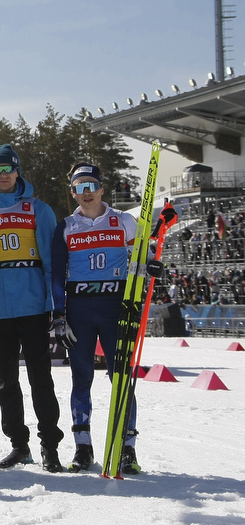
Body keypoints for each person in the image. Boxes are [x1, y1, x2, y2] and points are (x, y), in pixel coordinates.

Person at [0, 144, 64, 472]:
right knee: (6, 382)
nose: (4, 175)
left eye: (9, 169)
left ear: (18, 171)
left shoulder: (38, 209)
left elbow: (52, 262)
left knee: (41, 378)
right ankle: (19, 445)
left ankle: (50, 444)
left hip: (33, 305)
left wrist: (55, 303)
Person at [50, 163, 151, 474]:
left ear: (102, 188)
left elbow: (141, 260)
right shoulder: (66, 226)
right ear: (72, 193)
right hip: (80, 308)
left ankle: (127, 448)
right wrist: (59, 314)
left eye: (91, 185)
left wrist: (146, 277)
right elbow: (56, 274)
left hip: (115, 308)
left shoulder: (124, 221)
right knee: (81, 378)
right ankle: (83, 447)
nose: (87, 193)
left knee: (120, 377)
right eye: (80, 188)